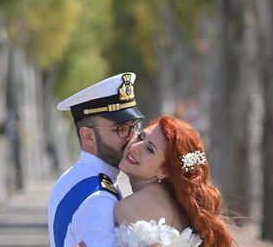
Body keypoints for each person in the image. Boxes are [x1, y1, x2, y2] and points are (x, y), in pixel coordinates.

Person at [47, 72, 145, 247]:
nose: (133, 137)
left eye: (134, 126)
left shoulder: (78, 176)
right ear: (88, 136)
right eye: (121, 128)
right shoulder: (98, 199)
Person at [113, 115, 236, 247]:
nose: (135, 147)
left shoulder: (131, 207)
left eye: (150, 149)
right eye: (141, 136)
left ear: (164, 171)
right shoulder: (172, 200)